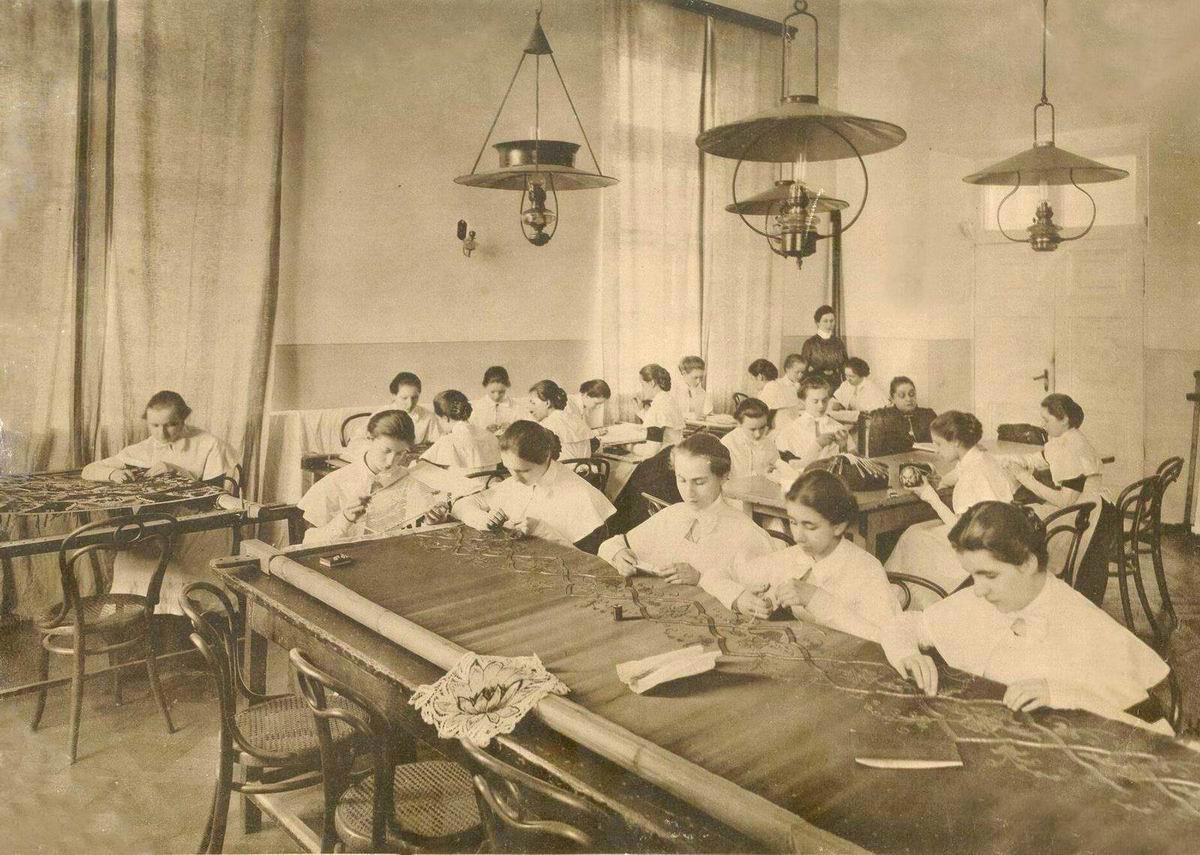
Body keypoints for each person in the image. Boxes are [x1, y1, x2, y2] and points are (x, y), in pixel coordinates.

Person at [881, 502, 1170, 730]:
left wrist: (1061, 694)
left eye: (989, 575)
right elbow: (905, 624)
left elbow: (1150, 728)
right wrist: (908, 654)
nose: (977, 590)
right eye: (972, 575)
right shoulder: (980, 601)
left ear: (1028, 563)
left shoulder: (1083, 622)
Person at [81, 391, 237, 614]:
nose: (161, 433)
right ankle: (144, 618)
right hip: (158, 524)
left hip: (202, 526)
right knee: (130, 560)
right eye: (154, 425)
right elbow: (89, 470)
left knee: (183, 571)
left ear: (184, 418)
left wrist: (176, 471)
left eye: (171, 425)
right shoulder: (142, 449)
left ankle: (189, 618)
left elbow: (215, 496)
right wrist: (113, 474)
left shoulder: (208, 444)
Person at [721, 470, 899, 641]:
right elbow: (721, 574)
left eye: (810, 526)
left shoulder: (866, 570)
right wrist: (740, 598)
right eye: (793, 522)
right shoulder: (796, 556)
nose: (798, 536)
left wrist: (815, 599)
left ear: (838, 526)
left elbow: (888, 639)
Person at [598, 434, 775, 593]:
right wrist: (618, 554)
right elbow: (612, 544)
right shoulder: (674, 513)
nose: (689, 492)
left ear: (723, 476)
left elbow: (763, 596)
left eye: (699, 482)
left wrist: (701, 578)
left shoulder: (746, 533)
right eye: (681, 480)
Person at [1001, 393, 1116, 604]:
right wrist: (1016, 461)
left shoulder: (1072, 447)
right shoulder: (1066, 438)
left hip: (1091, 516)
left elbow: (1065, 501)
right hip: (1085, 507)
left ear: (1064, 419)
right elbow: (1040, 458)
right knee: (1024, 519)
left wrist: (1024, 477)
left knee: (1022, 527)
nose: (1042, 425)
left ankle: (1033, 594)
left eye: (1046, 420)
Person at [885, 410, 1014, 592]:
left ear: (955, 442)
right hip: (998, 537)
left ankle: (896, 595)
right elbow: (961, 470)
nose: (936, 450)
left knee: (910, 539)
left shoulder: (970, 479)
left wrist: (929, 495)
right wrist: (942, 480)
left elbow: (959, 532)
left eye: (939, 444)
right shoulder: (984, 458)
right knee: (916, 530)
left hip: (980, 551)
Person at [452, 421, 615, 553]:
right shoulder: (518, 481)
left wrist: (544, 531)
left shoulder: (581, 496)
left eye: (523, 471)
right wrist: (483, 519)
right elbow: (461, 505)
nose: (515, 479)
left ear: (546, 457)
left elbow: (593, 563)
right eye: (509, 469)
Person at [301, 410, 449, 545]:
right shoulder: (334, 483)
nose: (390, 461)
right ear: (369, 438)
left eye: (399, 453)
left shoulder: (409, 481)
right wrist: (344, 519)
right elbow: (309, 543)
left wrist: (432, 523)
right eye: (386, 450)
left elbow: (416, 534)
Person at [351, 371, 441, 449]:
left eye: (414, 398)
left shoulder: (428, 417)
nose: (410, 403)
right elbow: (356, 441)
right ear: (394, 396)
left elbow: (438, 444)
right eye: (404, 398)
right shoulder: (381, 414)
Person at [773, 377, 847, 467]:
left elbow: (851, 464)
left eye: (824, 400)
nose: (821, 405)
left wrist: (843, 447)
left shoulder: (838, 427)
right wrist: (818, 445)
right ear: (802, 402)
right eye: (815, 401)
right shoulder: (790, 431)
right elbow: (785, 466)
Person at [421, 390, 502, 470]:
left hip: (460, 479)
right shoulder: (490, 436)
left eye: (438, 419)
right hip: (490, 478)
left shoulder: (447, 441)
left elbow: (422, 464)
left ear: (445, 418)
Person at [864, 376, 938, 455]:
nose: (908, 399)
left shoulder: (928, 415)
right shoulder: (882, 418)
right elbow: (876, 454)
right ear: (892, 398)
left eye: (912, 394)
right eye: (902, 395)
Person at [528, 379, 593, 460]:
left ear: (547, 403)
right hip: (587, 467)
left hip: (564, 468)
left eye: (533, 403)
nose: (530, 409)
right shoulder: (573, 417)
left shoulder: (548, 424)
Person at [720, 397, 779, 479]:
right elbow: (721, 480)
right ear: (739, 424)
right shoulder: (726, 445)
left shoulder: (769, 444)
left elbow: (778, 472)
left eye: (762, 427)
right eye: (752, 429)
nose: (758, 434)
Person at [800, 305, 848, 393]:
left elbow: (845, 367)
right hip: (817, 384)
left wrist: (847, 386)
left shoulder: (838, 343)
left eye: (832, 321)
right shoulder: (810, 343)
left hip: (836, 384)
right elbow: (803, 369)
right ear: (817, 323)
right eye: (825, 321)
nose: (829, 324)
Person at [636, 363, 685, 447]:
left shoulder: (657, 406)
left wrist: (630, 447)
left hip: (665, 453)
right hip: (676, 449)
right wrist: (641, 411)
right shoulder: (668, 399)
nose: (642, 390)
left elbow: (651, 450)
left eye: (642, 385)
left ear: (652, 383)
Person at [470, 366, 527, 434]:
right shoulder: (475, 407)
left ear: (507, 386)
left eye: (501, 392)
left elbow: (531, 428)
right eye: (492, 392)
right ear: (485, 386)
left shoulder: (516, 407)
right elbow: (468, 431)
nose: (496, 397)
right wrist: (484, 431)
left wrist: (513, 429)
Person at [675, 355, 714, 419]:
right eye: (695, 378)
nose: (698, 381)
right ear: (684, 374)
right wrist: (692, 416)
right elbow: (671, 414)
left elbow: (709, 414)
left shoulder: (703, 393)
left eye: (701, 377)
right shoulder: (674, 391)